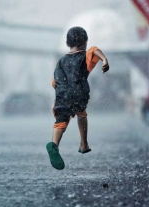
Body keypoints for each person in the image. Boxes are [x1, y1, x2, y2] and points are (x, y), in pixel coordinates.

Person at [46, 26, 110, 170]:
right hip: (79, 93)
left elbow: (54, 83)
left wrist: (58, 98)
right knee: (81, 114)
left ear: (67, 43)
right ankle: (84, 144)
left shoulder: (60, 61)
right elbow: (94, 50)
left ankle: (54, 145)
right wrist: (104, 60)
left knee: (60, 123)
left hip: (61, 97)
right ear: (85, 42)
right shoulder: (84, 56)